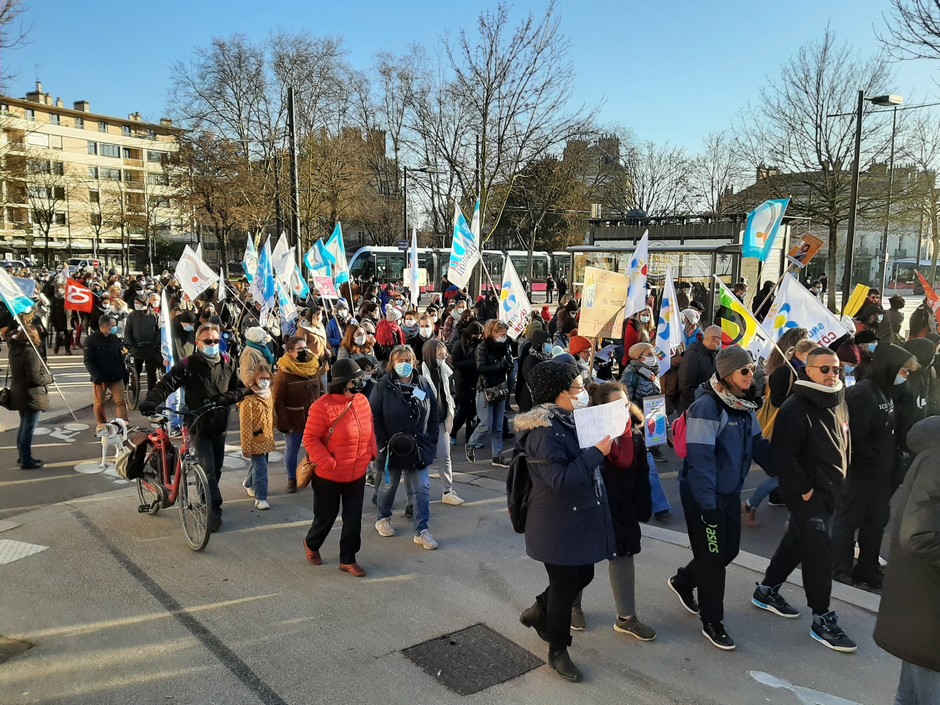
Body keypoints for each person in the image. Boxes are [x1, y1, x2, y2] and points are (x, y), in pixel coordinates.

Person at [750, 348, 857, 652]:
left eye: (835, 369)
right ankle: (822, 618)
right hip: (809, 495)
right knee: (819, 555)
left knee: (796, 542)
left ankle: (767, 590)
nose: (832, 374)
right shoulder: (796, 407)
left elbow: (844, 440)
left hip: (832, 491)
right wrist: (805, 490)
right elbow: (783, 455)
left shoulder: (838, 399)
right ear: (808, 370)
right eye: (824, 369)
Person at [515, 360, 615, 682]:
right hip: (554, 523)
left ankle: (538, 609)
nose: (583, 392)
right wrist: (597, 452)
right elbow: (559, 478)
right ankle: (557, 649)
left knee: (582, 573)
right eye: (578, 387)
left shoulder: (568, 420)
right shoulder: (544, 432)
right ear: (558, 394)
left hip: (573, 518)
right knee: (564, 586)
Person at [666, 346, 770, 651]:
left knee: (728, 551)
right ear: (727, 374)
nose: (752, 375)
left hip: (727, 492)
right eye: (745, 370)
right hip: (704, 496)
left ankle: (683, 581)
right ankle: (713, 622)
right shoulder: (708, 407)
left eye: (752, 368)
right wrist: (708, 505)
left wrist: (789, 472)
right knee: (713, 561)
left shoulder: (743, 404)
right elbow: (700, 460)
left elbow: (758, 443)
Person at [569, 381, 656, 640]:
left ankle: (626, 618)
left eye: (625, 404)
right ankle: (572, 605)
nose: (622, 409)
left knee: (624, 556)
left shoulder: (635, 436)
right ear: (599, 409)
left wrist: (643, 508)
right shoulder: (585, 436)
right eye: (615, 405)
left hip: (623, 508)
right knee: (581, 561)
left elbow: (642, 474)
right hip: (591, 508)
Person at [141, 323, 247, 532]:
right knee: (208, 470)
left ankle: (205, 497)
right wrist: (151, 401)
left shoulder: (228, 361)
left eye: (216, 341)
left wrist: (224, 398)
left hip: (220, 424)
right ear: (198, 343)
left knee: (216, 469)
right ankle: (214, 510)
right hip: (198, 424)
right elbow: (166, 384)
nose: (213, 345)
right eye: (208, 341)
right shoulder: (188, 363)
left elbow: (241, 388)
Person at [831, 343, 916, 590]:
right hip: (861, 474)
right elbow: (853, 437)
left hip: (881, 474)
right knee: (848, 521)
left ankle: (867, 568)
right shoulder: (863, 394)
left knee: (876, 521)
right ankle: (841, 569)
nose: (906, 376)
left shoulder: (883, 391)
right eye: (904, 370)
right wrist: (872, 459)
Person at [873, 415, 940, 704]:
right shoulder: (937, 458)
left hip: (923, 605)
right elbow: (917, 536)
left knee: (912, 693)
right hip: (927, 605)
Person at [302, 358, 377, 577]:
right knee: (326, 516)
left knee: (353, 518)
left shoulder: (362, 400)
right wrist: (328, 463)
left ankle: (348, 559)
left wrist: (372, 451)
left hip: (357, 472)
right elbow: (310, 439)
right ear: (344, 383)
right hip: (329, 475)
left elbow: (370, 428)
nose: (361, 382)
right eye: (357, 379)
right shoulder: (322, 406)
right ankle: (311, 543)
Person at [371, 345, 440, 549]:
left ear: (414, 362)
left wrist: (431, 438)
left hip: (418, 448)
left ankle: (422, 530)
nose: (404, 364)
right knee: (388, 485)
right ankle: (383, 517)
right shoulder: (383, 386)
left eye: (407, 360)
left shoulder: (423, 384)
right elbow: (374, 416)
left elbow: (434, 411)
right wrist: (382, 444)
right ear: (392, 363)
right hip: (392, 448)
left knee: (422, 488)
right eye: (399, 361)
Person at [745, 334, 814, 527]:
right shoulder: (786, 371)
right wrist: (800, 401)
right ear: (800, 353)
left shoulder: (803, 371)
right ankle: (752, 505)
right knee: (782, 474)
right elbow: (776, 400)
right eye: (810, 354)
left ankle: (762, 505)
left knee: (787, 474)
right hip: (781, 430)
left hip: (797, 430)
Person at [620, 341, 673, 518]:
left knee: (641, 467)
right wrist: (641, 414)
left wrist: (659, 417)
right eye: (649, 355)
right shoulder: (630, 374)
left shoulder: (653, 373)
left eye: (653, 354)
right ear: (639, 357)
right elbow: (625, 402)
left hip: (652, 425)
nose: (653, 358)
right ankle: (660, 507)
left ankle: (645, 503)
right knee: (648, 466)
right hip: (638, 427)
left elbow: (657, 398)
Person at [273, 335, 321, 493]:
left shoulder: (313, 366)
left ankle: (313, 475)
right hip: (294, 418)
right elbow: (278, 400)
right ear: (291, 352)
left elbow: (320, 390)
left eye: (306, 348)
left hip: (314, 417)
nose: (305, 352)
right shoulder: (284, 372)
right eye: (300, 349)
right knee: (292, 449)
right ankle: (292, 479)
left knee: (315, 449)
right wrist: (284, 423)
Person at [420, 339, 464, 506]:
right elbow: (415, 395)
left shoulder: (445, 370)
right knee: (423, 459)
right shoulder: (419, 373)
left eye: (444, 354)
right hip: (425, 423)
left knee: (445, 457)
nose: (443, 357)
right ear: (431, 354)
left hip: (442, 420)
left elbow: (449, 393)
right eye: (439, 354)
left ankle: (448, 491)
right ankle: (419, 495)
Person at [6, 318, 52, 469]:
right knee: (28, 428)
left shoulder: (14, 350)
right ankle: (26, 459)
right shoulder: (30, 353)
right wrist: (49, 378)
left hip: (18, 392)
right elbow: (35, 378)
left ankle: (23, 456)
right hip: (31, 395)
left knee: (23, 425)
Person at [466, 320, 513, 467]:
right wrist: (501, 366)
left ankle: (497, 456)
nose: (504, 337)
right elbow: (481, 367)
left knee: (498, 427)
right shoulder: (483, 347)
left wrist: (509, 366)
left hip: (500, 387)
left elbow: (508, 363)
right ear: (493, 333)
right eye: (502, 334)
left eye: (505, 334)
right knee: (486, 424)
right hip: (486, 389)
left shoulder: (506, 346)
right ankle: (471, 443)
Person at [239, 364, 275, 510]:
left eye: (267, 378)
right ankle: (261, 498)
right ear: (254, 380)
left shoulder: (268, 394)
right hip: (255, 441)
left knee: (259, 466)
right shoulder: (248, 401)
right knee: (261, 470)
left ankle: (248, 483)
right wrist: (246, 448)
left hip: (266, 439)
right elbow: (245, 427)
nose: (265, 381)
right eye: (261, 378)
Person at [83, 314, 129, 424]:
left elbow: (119, 357)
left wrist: (124, 373)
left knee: (120, 401)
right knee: (99, 403)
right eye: (112, 326)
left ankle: (124, 424)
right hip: (101, 377)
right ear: (104, 326)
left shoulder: (114, 338)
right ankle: (102, 425)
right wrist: (96, 376)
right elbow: (88, 360)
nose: (115, 328)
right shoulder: (91, 340)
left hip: (116, 375)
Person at [449, 321, 483, 445]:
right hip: (463, 380)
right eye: (476, 334)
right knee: (463, 411)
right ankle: (453, 432)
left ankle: (471, 438)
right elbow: (455, 362)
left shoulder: (479, 344)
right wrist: (472, 362)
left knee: (474, 412)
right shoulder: (460, 344)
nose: (478, 337)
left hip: (476, 380)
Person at [677, 325, 721, 413]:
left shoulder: (713, 354)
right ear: (713, 339)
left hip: (708, 405)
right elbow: (686, 387)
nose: (721, 343)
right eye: (721, 339)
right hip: (694, 408)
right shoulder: (692, 356)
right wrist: (698, 406)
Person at [124, 293, 161, 391]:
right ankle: (135, 389)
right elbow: (127, 330)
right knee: (136, 371)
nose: (136, 304)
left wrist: (157, 345)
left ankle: (151, 393)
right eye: (135, 302)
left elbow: (159, 331)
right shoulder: (132, 316)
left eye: (138, 303)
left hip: (151, 349)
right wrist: (129, 343)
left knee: (151, 373)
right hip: (136, 348)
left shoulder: (155, 315)